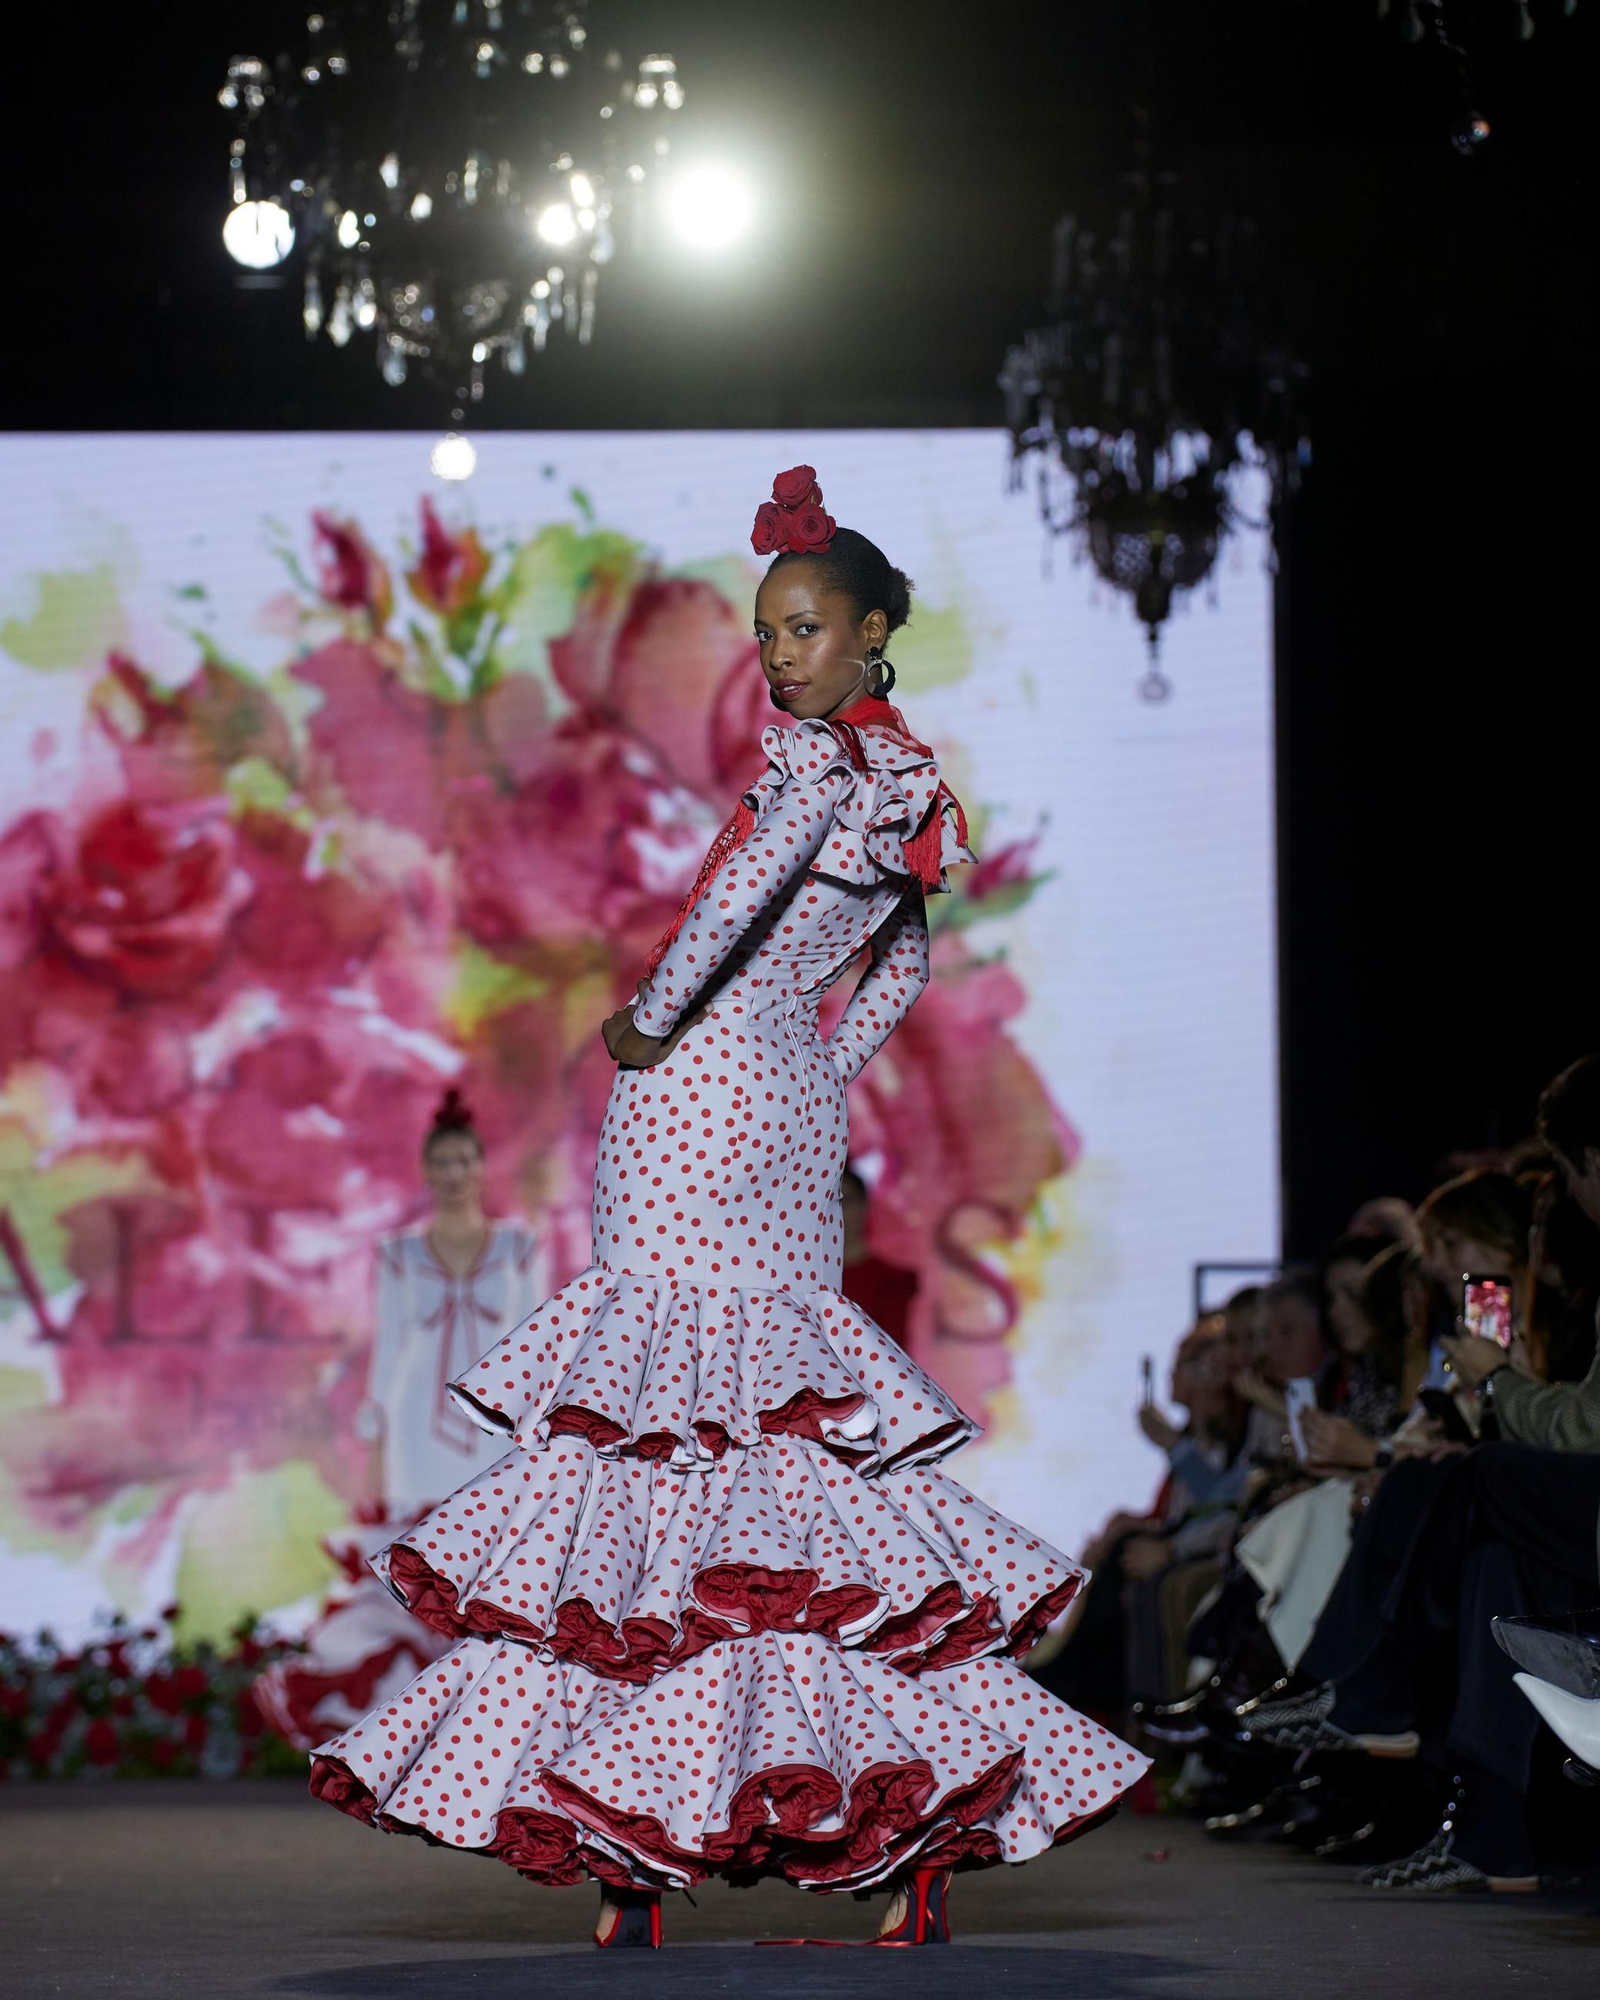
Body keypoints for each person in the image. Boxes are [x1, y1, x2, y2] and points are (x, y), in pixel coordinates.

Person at [310, 467, 1146, 1948]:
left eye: (807, 629)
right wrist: (820, 1066)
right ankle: (907, 1832)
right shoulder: (909, 781)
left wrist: (656, 1017)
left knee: (651, 1439)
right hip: (785, 1101)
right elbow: (899, 959)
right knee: (785, 1448)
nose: (781, 656)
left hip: (698, 1090)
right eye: (768, 633)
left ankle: (635, 1846)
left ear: (877, 628)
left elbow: (746, 888)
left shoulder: (822, 771)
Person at [358, 1089, 543, 1518]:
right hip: (417, 1414)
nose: (454, 1173)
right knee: (420, 1546)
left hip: (497, 1415)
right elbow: (388, 1347)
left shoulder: (519, 1246)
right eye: (442, 1162)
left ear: (481, 1167)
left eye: (463, 1160)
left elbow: (536, 1345)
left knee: (493, 1533)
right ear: (425, 1170)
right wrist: (376, 1435)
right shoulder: (397, 1253)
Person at [837, 1163, 920, 1349]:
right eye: (831, 1202)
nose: (838, 1211)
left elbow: (892, 1352)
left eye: (846, 1201)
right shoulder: (804, 1281)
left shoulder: (892, 1280)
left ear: (864, 1205)